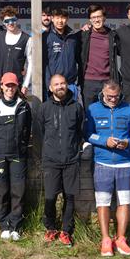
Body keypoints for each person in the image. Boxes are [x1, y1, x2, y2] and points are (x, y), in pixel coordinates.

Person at [85, 80, 130, 257]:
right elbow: (87, 134)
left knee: (124, 201)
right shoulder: (93, 109)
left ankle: (121, 238)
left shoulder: (129, 109)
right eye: (109, 97)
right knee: (103, 202)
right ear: (103, 93)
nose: (113, 100)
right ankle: (105, 239)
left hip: (125, 162)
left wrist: (129, 143)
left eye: (116, 96)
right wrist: (104, 141)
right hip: (102, 162)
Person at [0, 72, 32, 241]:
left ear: (17, 86)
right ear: (1, 86)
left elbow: (29, 129)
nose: (10, 88)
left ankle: (16, 225)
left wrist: (24, 147)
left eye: (13, 85)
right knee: (2, 191)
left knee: (18, 192)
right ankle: (4, 225)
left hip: (18, 155)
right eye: (7, 85)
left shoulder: (24, 105)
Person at [41, 74, 84, 248]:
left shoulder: (76, 107)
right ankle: (50, 227)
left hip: (71, 160)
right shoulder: (44, 108)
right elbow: (39, 132)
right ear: (50, 88)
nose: (60, 86)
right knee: (50, 196)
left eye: (63, 83)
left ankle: (66, 230)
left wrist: (75, 150)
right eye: (56, 84)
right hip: (51, 160)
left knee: (70, 197)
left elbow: (80, 131)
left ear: (67, 86)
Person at [80, 4, 120, 107]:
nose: (96, 20)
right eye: (93, 17)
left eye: (99, 17)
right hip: (89, 83)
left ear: (104, 18)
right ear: (90, 19)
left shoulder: (113, 36)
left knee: (108, 113)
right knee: (89, 115)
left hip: (107, 82)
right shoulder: (83, 35)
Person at [0, 6, 33, 94]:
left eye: (13, 20)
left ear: (17, 20)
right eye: (7, 21)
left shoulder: (27, 39)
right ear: (3, 22)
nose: (10, 23)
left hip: (16, 85)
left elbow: (30, 63)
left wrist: (25, 84)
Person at [43, 7, 82, 94]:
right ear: (52, 19)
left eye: (63, 18)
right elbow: (44, 63)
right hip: (53, 85)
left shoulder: (73, 38)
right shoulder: (46, 37)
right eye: (57, 18)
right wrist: (48, 84)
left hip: (70, 85)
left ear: (67, 19)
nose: (60, 21)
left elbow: (79, 59)